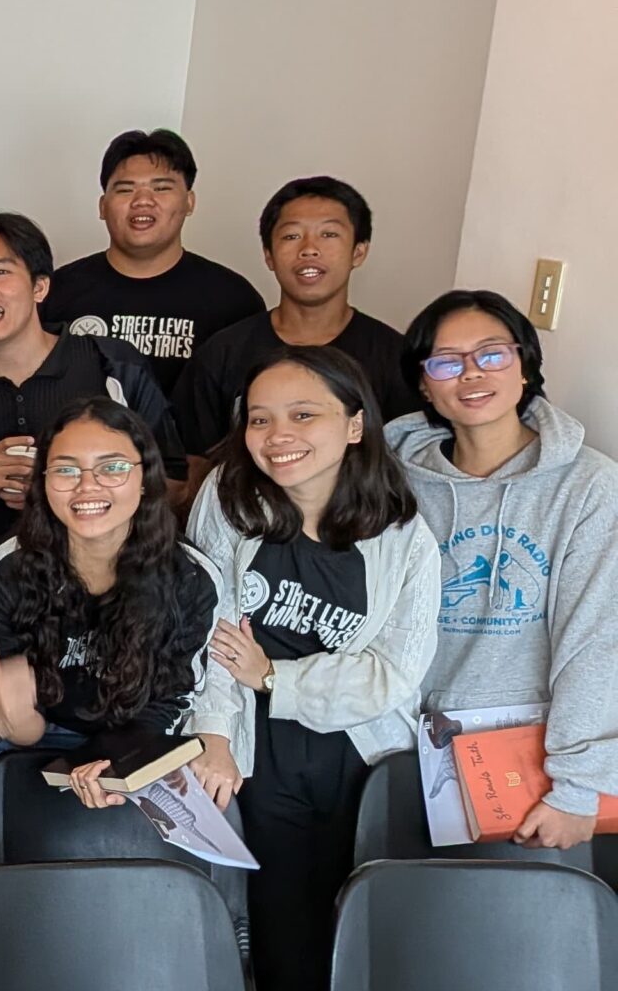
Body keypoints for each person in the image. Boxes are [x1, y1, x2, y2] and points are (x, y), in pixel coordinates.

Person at [0, 398, 217, 991]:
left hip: (119, 733)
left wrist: (114, 764)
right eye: (66, 469)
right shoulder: (5, 569)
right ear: (43, 483)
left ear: (145, 477)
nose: (87, 486)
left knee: (113, 879)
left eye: (111, 467)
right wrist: (11, 718)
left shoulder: (191, 579)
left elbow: (169, 701)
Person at [181, 347, 438, 991]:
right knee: (282, 934)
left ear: (355, 424)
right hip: (259, 751)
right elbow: (206, 634)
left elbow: (394, 674)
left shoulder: (403, 534)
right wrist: (213, 736)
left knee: (367, 931)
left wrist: (274, 677)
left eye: (303, 414)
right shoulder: (229, 498)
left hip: (363, 751)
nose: (278, 435)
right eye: (259, 419)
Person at [0, 215, 173, 785]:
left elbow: (173, 487)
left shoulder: (110, 370)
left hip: (109, 637)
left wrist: (73, 486)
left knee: (95, 802)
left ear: (40, 286)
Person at [391, 289, 618, 850]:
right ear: (425, 384)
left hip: (529, 761)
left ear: (525, 366)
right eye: (447, 362)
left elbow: (596, 641)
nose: (472, 373)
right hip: (401, 745)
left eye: (492, 354)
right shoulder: (392, 482)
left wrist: (577, 786)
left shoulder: (589, 486)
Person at [172, 176, 415, 490]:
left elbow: (407, 467)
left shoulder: (395, 357)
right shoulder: (223, 352)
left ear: (358, 251)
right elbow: (194, 465)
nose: (309, 249)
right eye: (291, 236)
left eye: (329, 234)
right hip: (241, 515)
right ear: (269, 255)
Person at [41, 130, 264, 396]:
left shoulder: (233, 300)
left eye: (161, 188)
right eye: (126, 189)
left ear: (189, 202)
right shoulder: (57, 292)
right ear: (102, 206)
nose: (143, 201)